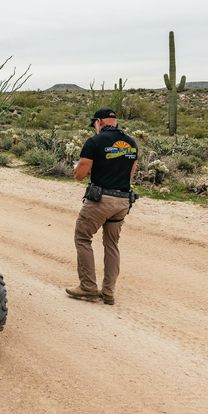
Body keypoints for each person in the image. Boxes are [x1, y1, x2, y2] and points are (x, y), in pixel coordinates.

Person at [66, 108, 138, 305]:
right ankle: (108, 291)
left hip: (100, 200)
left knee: (83, 237)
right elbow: (130, 173)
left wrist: (77, 169)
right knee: (112, 244)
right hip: (123, 201)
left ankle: (88, 287)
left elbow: (79, 174)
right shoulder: (131, 143)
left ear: (99, 122)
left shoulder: (94, 142)